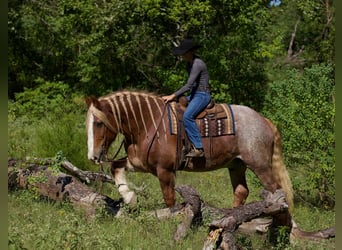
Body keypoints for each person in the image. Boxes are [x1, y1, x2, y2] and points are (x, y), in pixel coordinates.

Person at [162, 38, 211, 157]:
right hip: (194, 94)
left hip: (202, 95)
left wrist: (172, 95)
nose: (182, 56)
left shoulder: (197, 64)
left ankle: (199, 147)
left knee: (188, 116)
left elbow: (189, 85)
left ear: (189, 52)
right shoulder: (189, 64)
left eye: (183, 53)